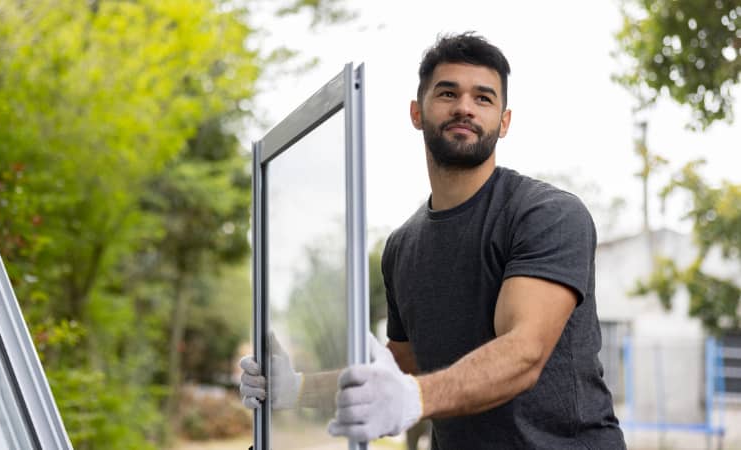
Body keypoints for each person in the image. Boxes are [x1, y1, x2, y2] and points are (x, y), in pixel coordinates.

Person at [240, 32, 626, 449]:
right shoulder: (403, 247)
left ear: (505, 121)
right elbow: (399, 370)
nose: (464, 107)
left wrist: (415, 398)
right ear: (416, 112)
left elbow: (524, 352)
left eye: (483, 98)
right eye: (448, 93)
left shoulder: (546, 214)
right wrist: (296, 389)